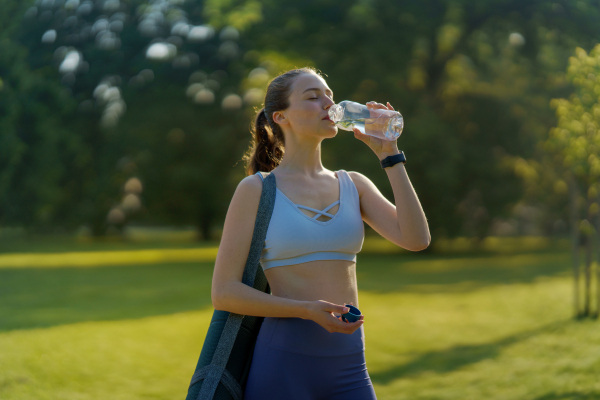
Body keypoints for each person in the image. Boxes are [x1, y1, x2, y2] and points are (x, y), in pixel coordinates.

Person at [211, 67, 430, 399]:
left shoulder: (353, 184)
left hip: (350, 367)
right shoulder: (256, 190)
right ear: (280, 117)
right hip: (283, 366)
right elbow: (224, 292)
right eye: (313, 97)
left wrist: (390, 155)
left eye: (329, 94)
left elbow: (416, 239)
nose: (328, 102)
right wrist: (305, 309)